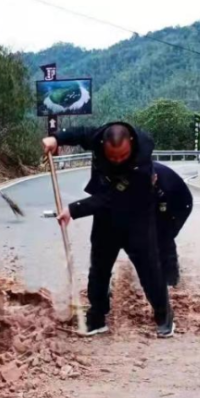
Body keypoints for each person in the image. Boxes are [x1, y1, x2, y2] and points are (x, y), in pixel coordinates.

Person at [44, 122, 174, 338]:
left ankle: (163, 315)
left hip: (137, 218)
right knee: (99, 269)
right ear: (103, 144)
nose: (117, 160)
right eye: (112, 156)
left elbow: (111, 198)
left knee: (149, 270)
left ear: (131, 144)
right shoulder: (99, 137)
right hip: (106, 219)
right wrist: (57, 138)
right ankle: (97, 317)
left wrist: (74, 210)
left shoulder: (141, 164)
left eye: (122, 156)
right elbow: (81, 133)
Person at [152, 162, 194, 287]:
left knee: (164, 238)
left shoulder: (165, 188)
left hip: (180, 205)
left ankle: (171, 280)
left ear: (155, 178)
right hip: (157, 203)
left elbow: (161, 217)